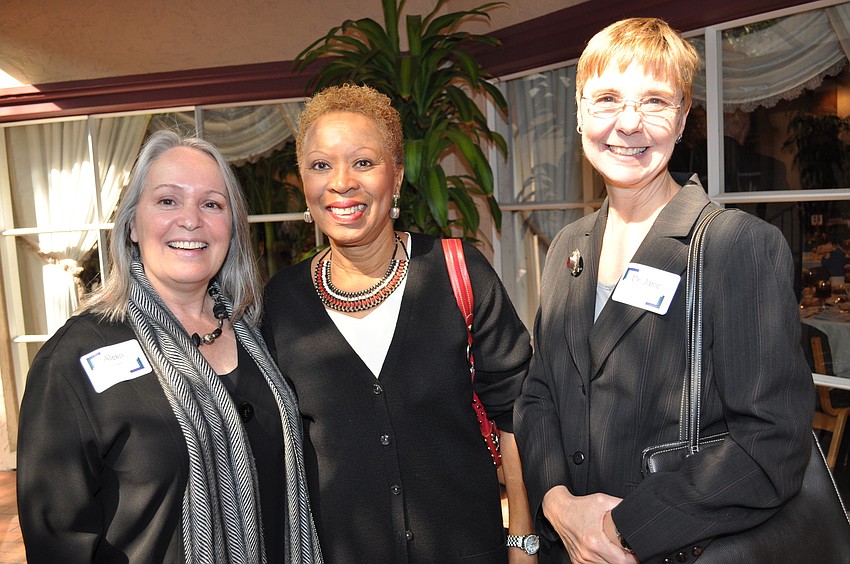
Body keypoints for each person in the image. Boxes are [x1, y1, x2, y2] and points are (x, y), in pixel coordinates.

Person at [515, 18, 814, 564]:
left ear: (681, 120)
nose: (628, 124)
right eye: (607, 99)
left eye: (655, 101)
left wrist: (621, 530)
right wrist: (558, 504)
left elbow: (771, 443)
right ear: (580, 114)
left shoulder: (738, 246)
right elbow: (539, 397)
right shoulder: (566, 247)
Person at [17, 130, 323, 563]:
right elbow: (57, 540)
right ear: (132, 226)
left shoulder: (262, 337)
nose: (191, 219)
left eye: (212, 204)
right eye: (167, 201)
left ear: (231, 229)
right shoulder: (73, 359)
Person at [261, 84, 536, 564]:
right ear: (303, 183)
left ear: (398, 176)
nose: (341, 183)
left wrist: (523, 543)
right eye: (320, 165)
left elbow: (516, 413)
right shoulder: (281, 302)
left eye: (364, 162)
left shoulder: (458, 272)